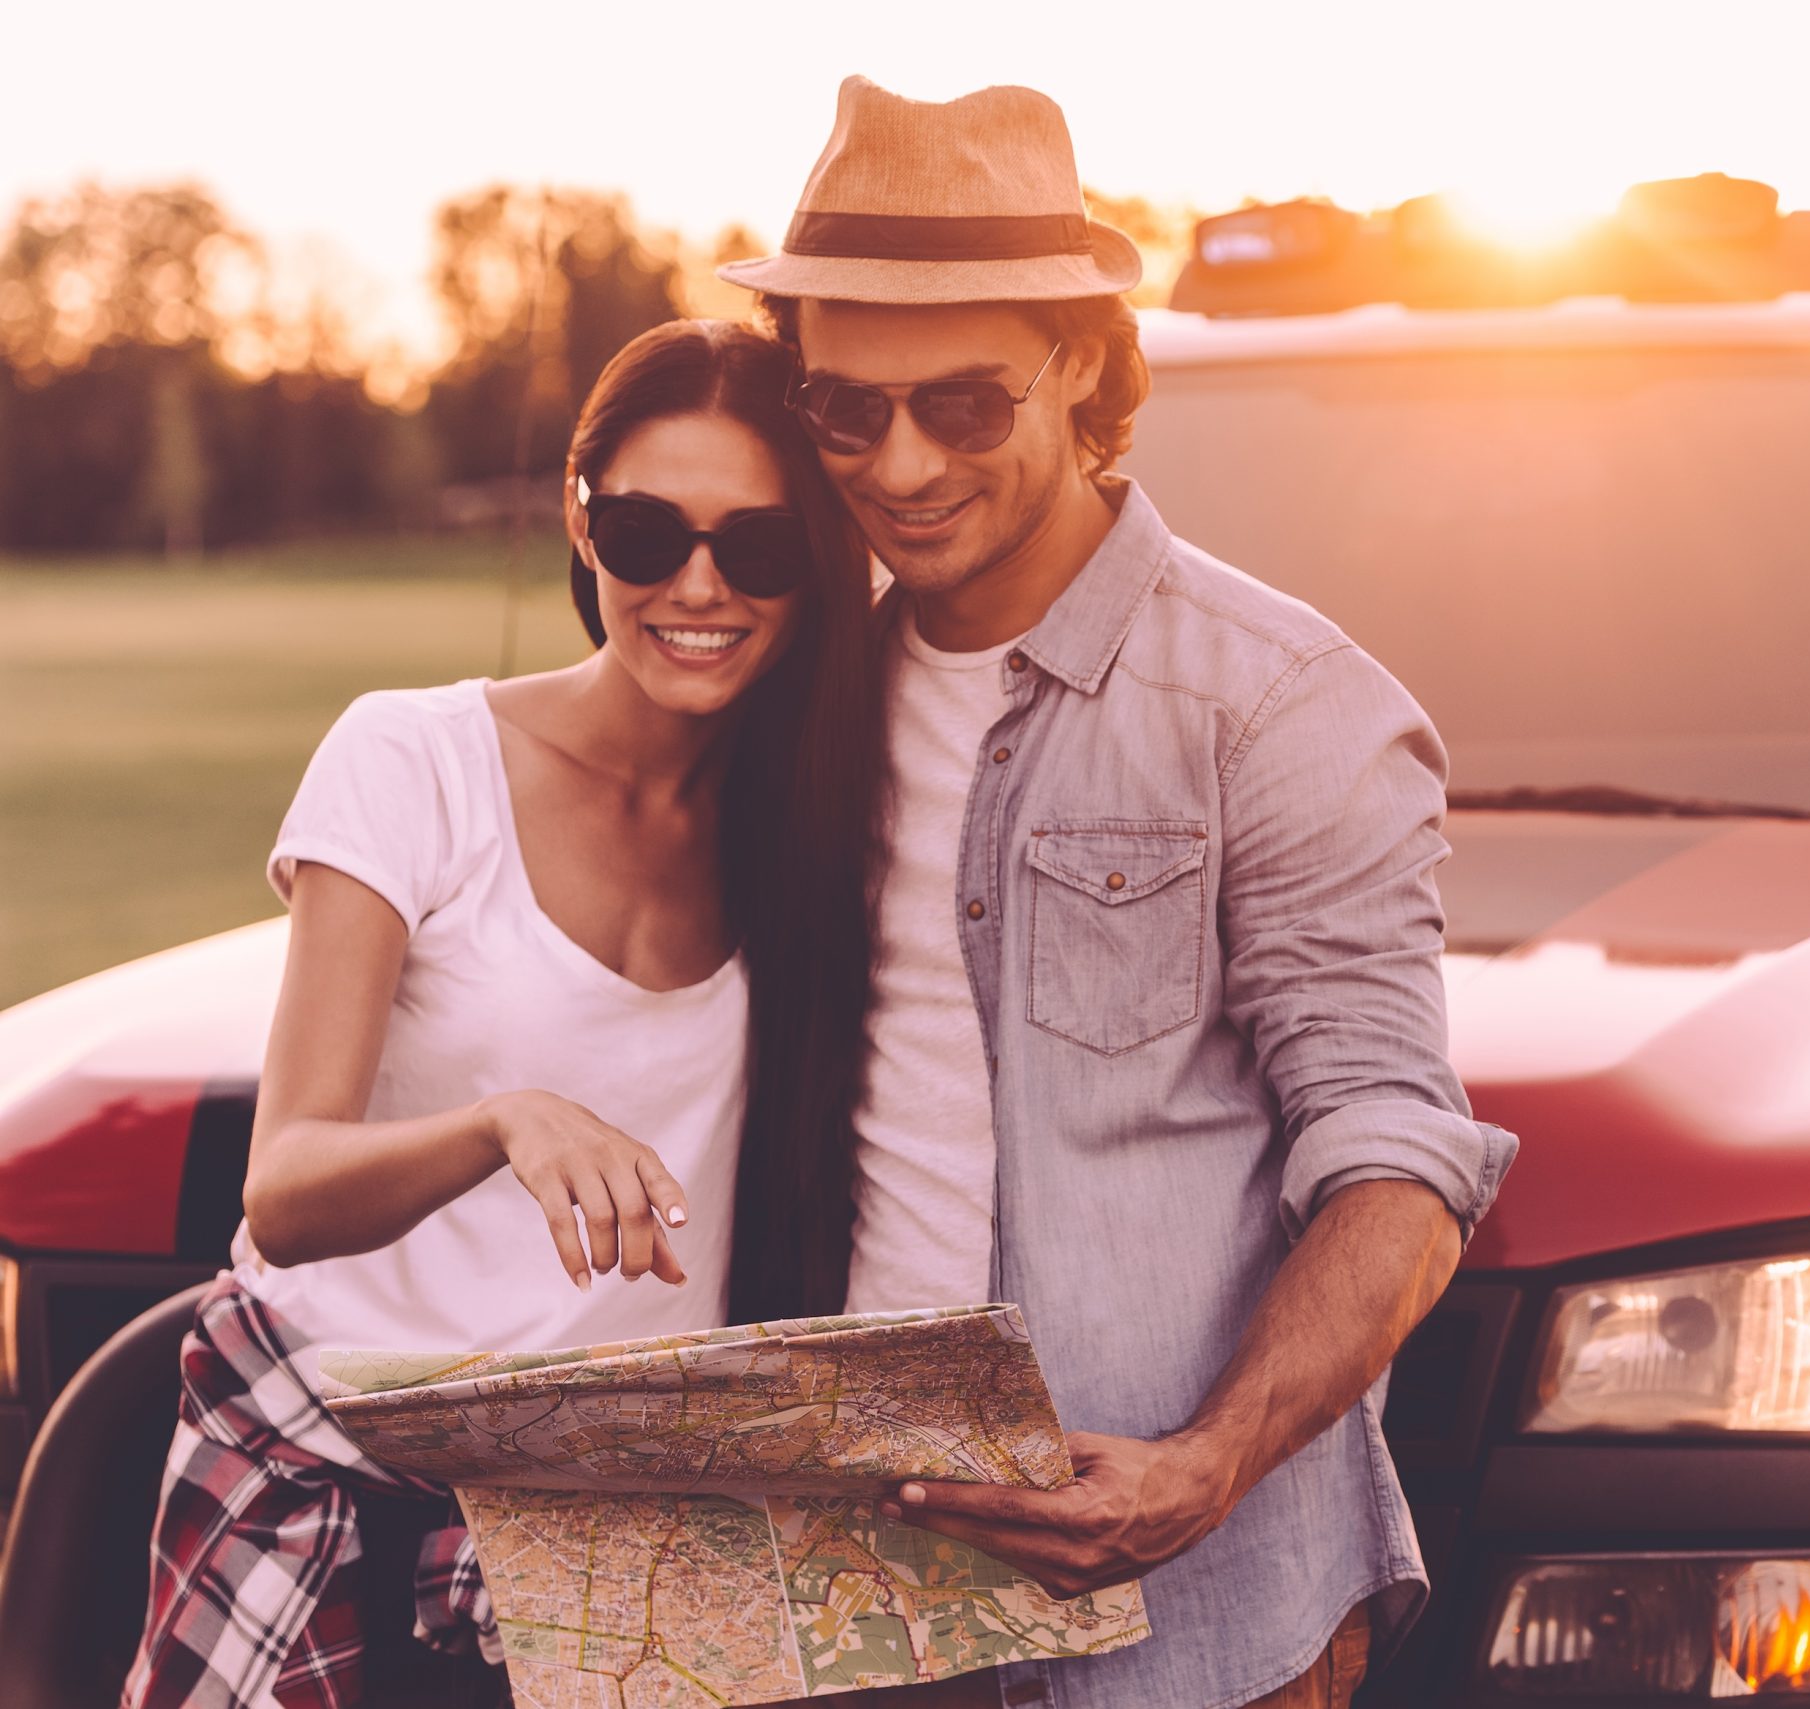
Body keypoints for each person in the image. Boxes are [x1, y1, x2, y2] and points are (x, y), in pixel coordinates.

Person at [717, 76, 1518, 1709]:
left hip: (1192, 1629)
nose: (901, 462)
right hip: (854, 1598)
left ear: (1079, 360)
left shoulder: (1279, 702)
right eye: (844, 414)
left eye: (961, 401)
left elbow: (1399, 1155)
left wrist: (1206, 1462)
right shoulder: (803, 704)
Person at [122, 319, 879, 1709]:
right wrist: (500, 1121)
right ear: (581, 527)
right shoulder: (413, 754)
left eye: (757, 547)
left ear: (816, 568)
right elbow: (282, 1190)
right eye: (648, 532)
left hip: (614, 1515)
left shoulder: (825, 820)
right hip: (327, 1463)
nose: (698, 585)